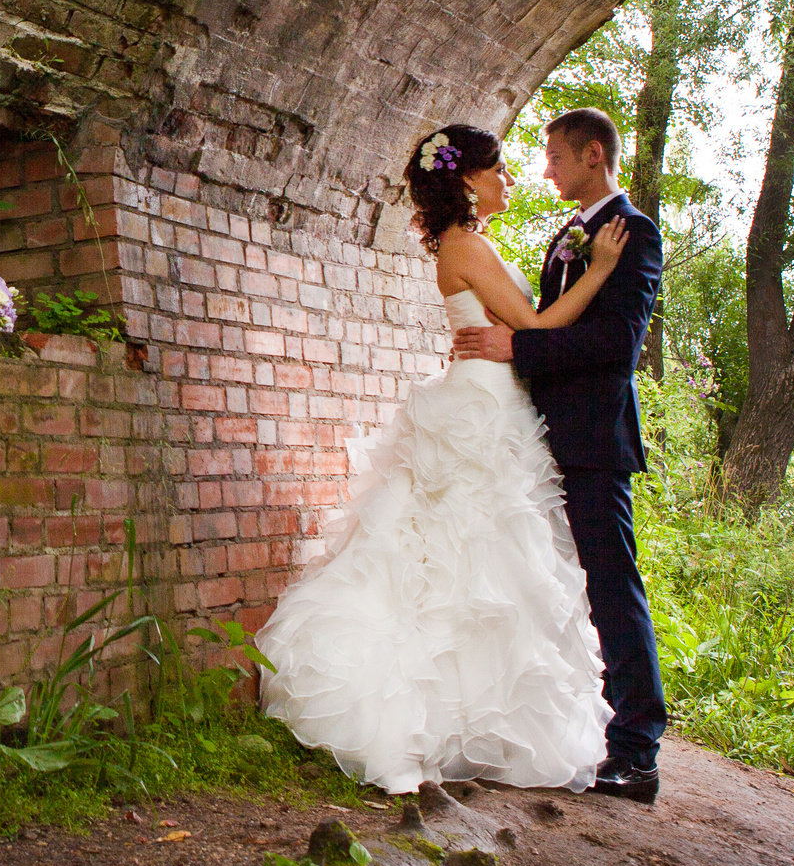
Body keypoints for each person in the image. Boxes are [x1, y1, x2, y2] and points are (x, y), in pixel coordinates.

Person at [254, 121, 631, 794]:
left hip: (490, 401)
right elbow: (539, 326)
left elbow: (511, 327)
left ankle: (474, 720)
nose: (512, 179)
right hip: (481, 413)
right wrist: (600, 268)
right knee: (469, 561)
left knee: (475, 563)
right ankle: (446, 719)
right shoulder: (466, 245)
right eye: (501, 170)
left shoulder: (471, 243)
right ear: (466, 179)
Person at [453, 106, 668, 805]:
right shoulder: (568, 235)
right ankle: (575, 726)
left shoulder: (633, 233)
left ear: (594, 156)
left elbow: (617, 344)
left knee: (612, 586)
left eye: (555, 156)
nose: (545, 169)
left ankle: (637, 751)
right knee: (557, 588)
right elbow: (552, 315)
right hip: (545, 434)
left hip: (594, 439)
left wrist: (519, 347)